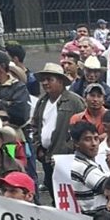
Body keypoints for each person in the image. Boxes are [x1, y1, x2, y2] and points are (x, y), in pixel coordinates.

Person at [31, 62, 85, 198]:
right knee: (52, 188)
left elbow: (83, 127)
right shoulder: (42, 102)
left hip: (66, 158)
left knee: (69, 194)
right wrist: (38, 148)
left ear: (60, 81)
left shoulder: (74, 101)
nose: (45, 83)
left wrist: (70, 147)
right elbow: (35, 125)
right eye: (43, 80)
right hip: (46, 157)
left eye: (49, 79)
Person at [68, 121, 110, 215]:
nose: (94, 143)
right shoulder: (82, 167)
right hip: (94, 219)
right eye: (88, 139)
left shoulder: (86, 163)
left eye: (96, 138)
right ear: (76, 143)